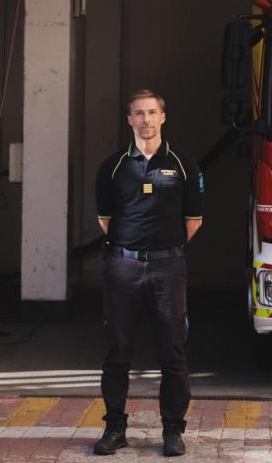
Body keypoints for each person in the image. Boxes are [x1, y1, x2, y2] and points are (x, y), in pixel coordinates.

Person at [92, 89, 204, 457]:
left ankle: (173, 431)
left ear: (163, 117)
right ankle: (114, 429)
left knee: (172, 352)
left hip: (168, 268)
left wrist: (160, 250)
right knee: (117, 351)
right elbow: (105, 220)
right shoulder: (112, 167)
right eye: (138, 113)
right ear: (129, 120)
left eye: (152, 112)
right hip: (122, 268)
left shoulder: (184, 164)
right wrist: (134, 250)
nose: (146, 119)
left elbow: (194, 220)